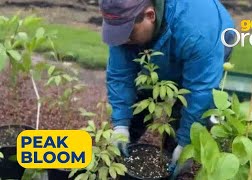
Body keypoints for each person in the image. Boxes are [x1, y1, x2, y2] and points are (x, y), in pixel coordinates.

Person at [100, 0, 234, 177]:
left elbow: (200, 89)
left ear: (150, 15)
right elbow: (120, 75)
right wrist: (120, 125)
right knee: (145, 91)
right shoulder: (125, 22)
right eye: (117, 32)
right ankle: (126, 144)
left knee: (184, 108)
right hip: (166, 37)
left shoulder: (198, 31)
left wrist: (186, 142)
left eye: (128, 32)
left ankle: (174, 150)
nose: (123, 39)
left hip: (211, 41)